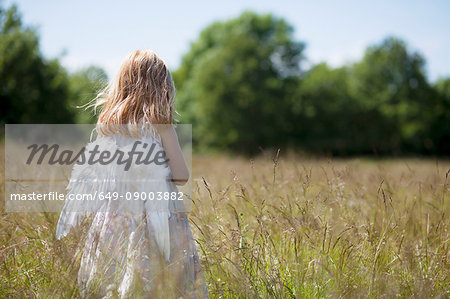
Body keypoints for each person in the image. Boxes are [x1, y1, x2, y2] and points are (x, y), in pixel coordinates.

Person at [56, 50, 209, 298]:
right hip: (156, 213)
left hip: (115, 216)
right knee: (162, 277)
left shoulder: (108, 127)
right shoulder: (161, 126)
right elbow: (181, 175)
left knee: (115, 276)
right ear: (162, 87)